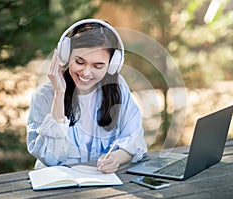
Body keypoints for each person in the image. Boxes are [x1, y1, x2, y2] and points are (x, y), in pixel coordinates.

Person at [27, 19, 147, 173]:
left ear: (112, 64)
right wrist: (59, 94)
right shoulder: (44, 96)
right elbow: (51, 159)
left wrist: (117, 158)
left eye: (98, 66)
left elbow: (135, 139)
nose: (86, 73)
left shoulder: (118, 88)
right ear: (66, 55)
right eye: (79, 62)